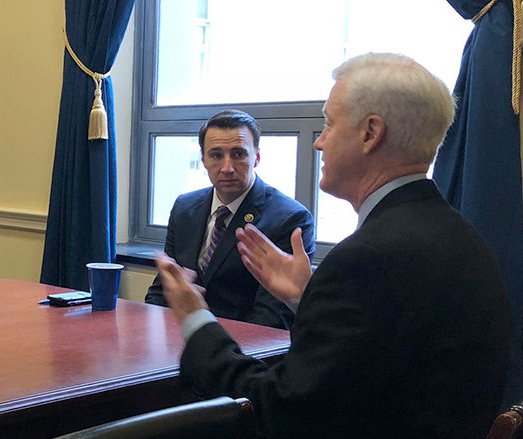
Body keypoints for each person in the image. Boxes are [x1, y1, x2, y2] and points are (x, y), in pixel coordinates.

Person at [156, 53, 511, 439]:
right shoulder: (464, 237)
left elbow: (276, 410)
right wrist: (305, 297)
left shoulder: (365, 258)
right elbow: (377, 363)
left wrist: (194, 317)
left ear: (370, 133)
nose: (319, 143)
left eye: (328, 123)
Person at [145, 110, 315, 328]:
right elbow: (161, 291)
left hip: (242, 350)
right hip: (180, 338)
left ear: (257, 157)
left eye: (238, 154)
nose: (227, 168)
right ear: (203, 159)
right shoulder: (185, 207)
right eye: (216, 155)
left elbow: (272, 319)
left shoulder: (289, 219)